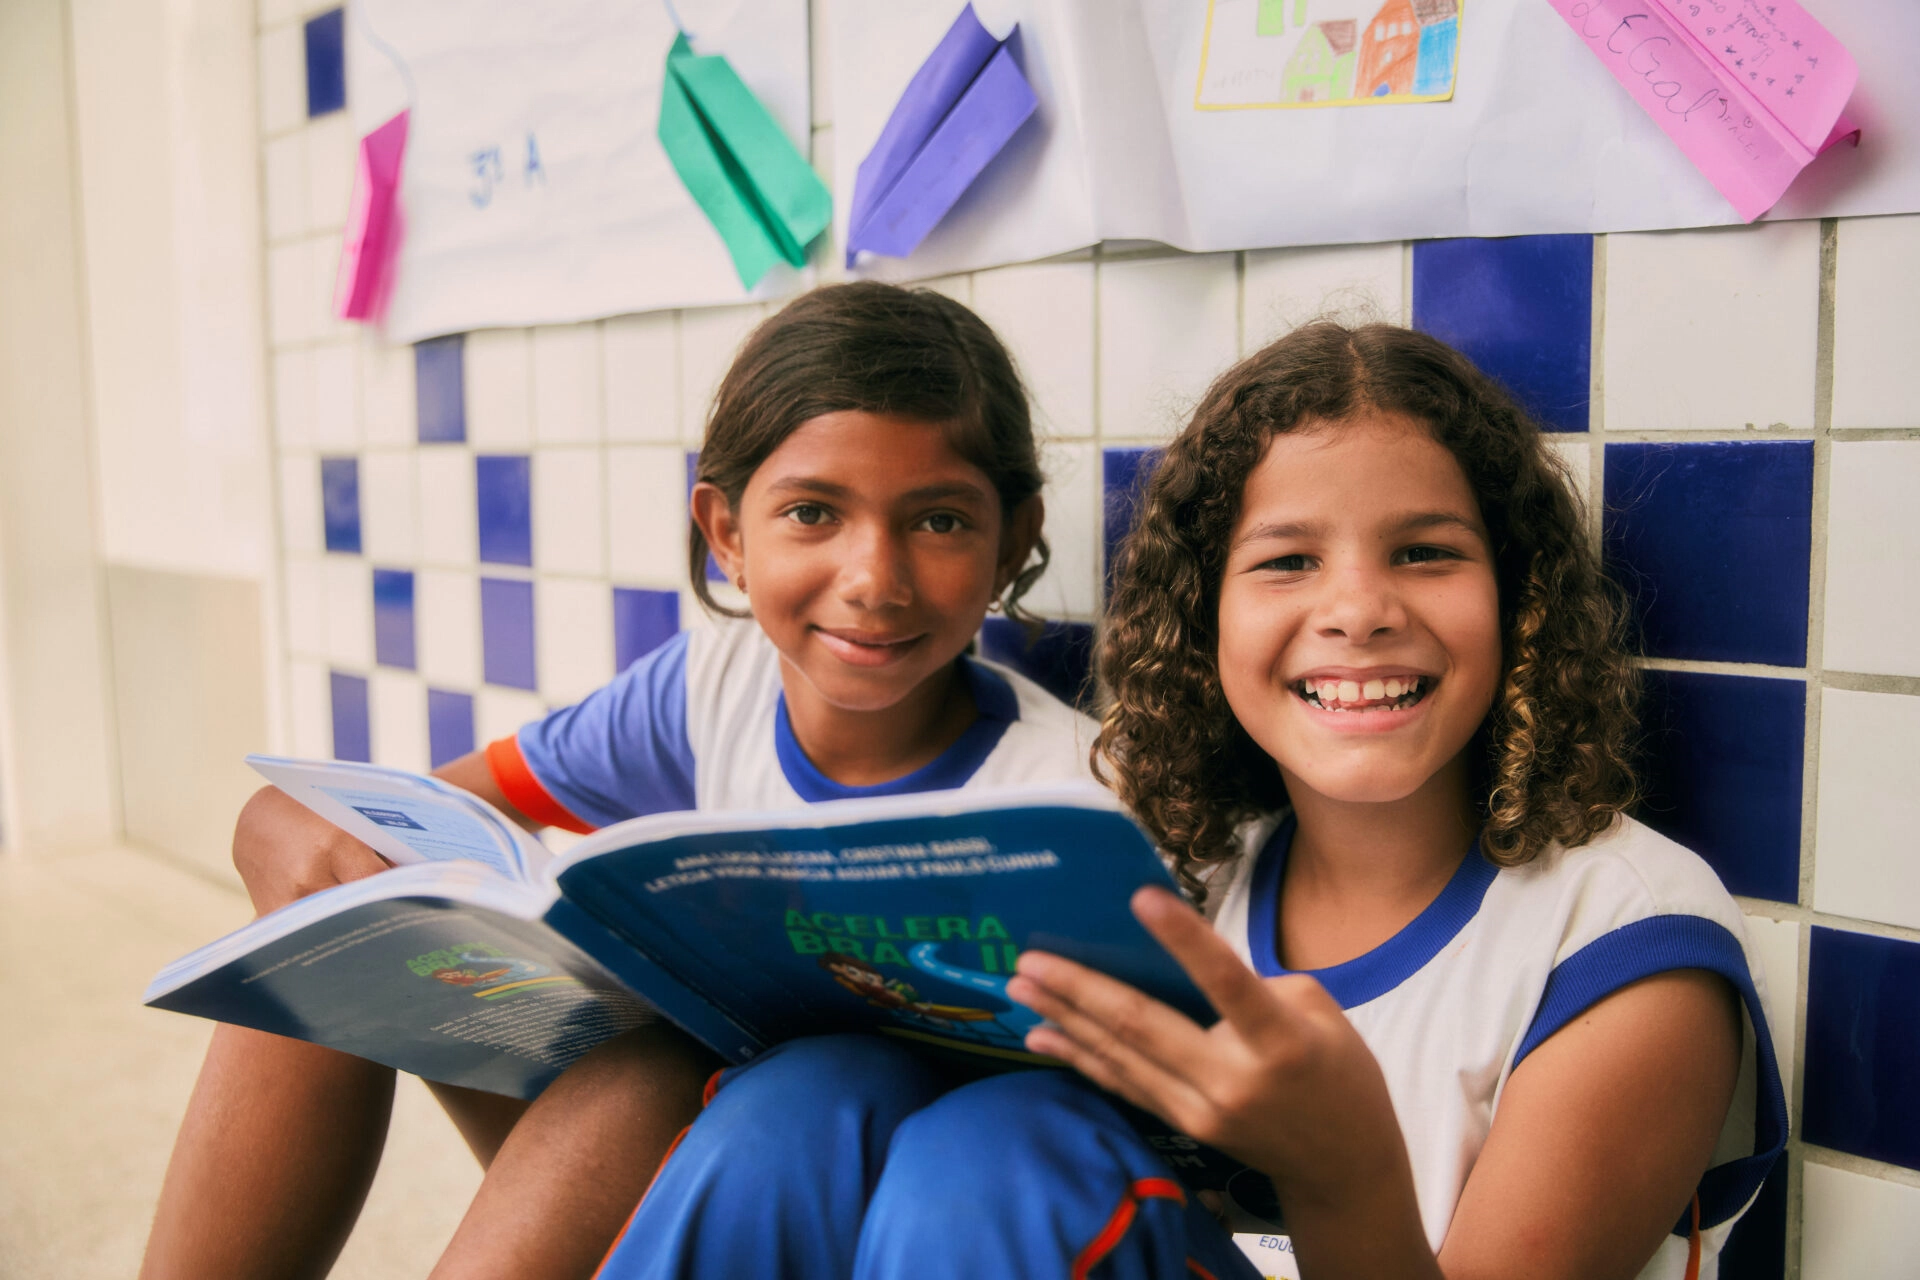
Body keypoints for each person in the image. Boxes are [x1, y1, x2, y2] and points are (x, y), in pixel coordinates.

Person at [592, 322, 1785, 1280]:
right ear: (1202, 620)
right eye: (1286, 561)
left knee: (998, 1152)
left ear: (1517, 598)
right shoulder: (1176, 880)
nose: (1358, 608)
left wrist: (1342, 1174)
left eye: (1424, 551)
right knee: (813, 1095)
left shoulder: (1625, 941)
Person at [139, 282, 1097, 1280]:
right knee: (335, 929)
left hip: (870, 1211)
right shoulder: (705, 685)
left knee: (662, 1071)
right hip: (648, 1153)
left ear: (1016, 538)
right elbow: (404, 818)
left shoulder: (1069, 790)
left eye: (938, 520)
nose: (873, 576)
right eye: (812, 512)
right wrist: (284, 831)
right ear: (725, 531)